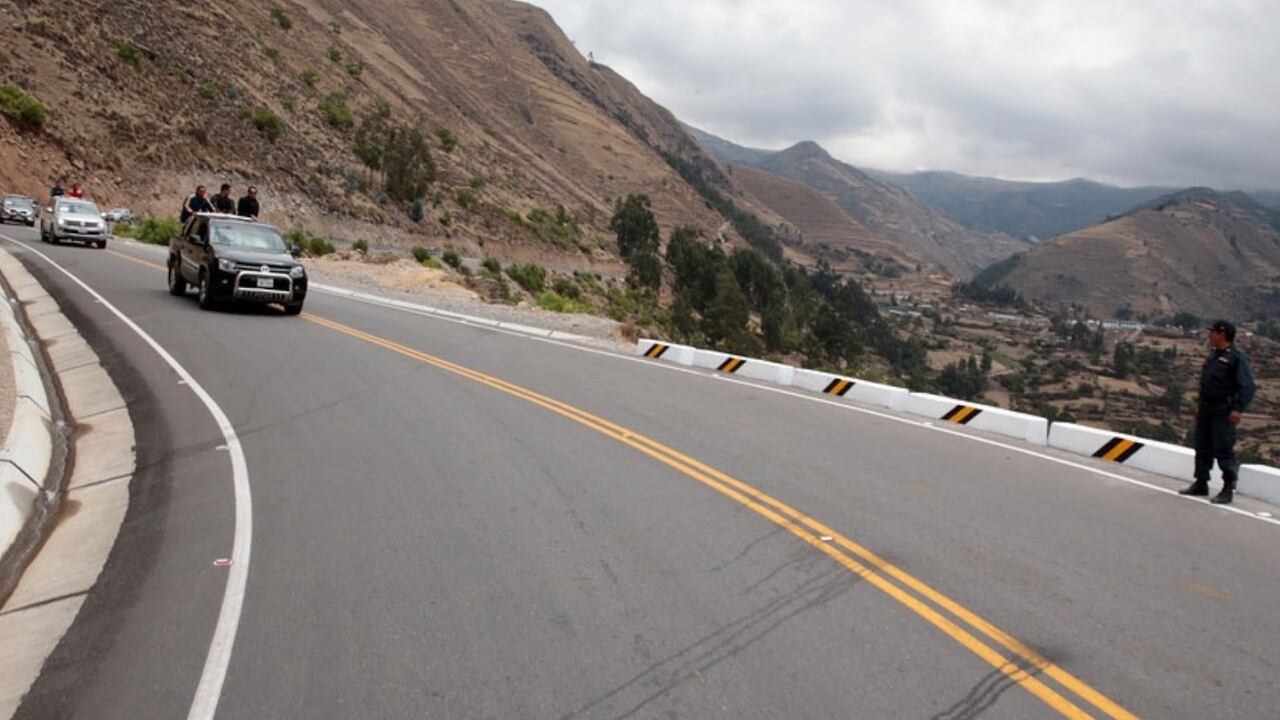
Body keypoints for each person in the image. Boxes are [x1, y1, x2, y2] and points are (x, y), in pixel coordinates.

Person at [1179, 320, 1255, 504]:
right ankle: (1201, 482)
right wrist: (1200, 408)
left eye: (1212, 332)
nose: (1210, 335)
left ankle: (1228, 488)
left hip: (1223, 411)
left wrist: (1237, 409)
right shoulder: (1213, 355)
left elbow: (1247, 387)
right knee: (1202, 447)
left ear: (1222, 334)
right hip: (1207, 409)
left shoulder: (1236, 358)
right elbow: (1207, 385)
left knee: (1223, 450)